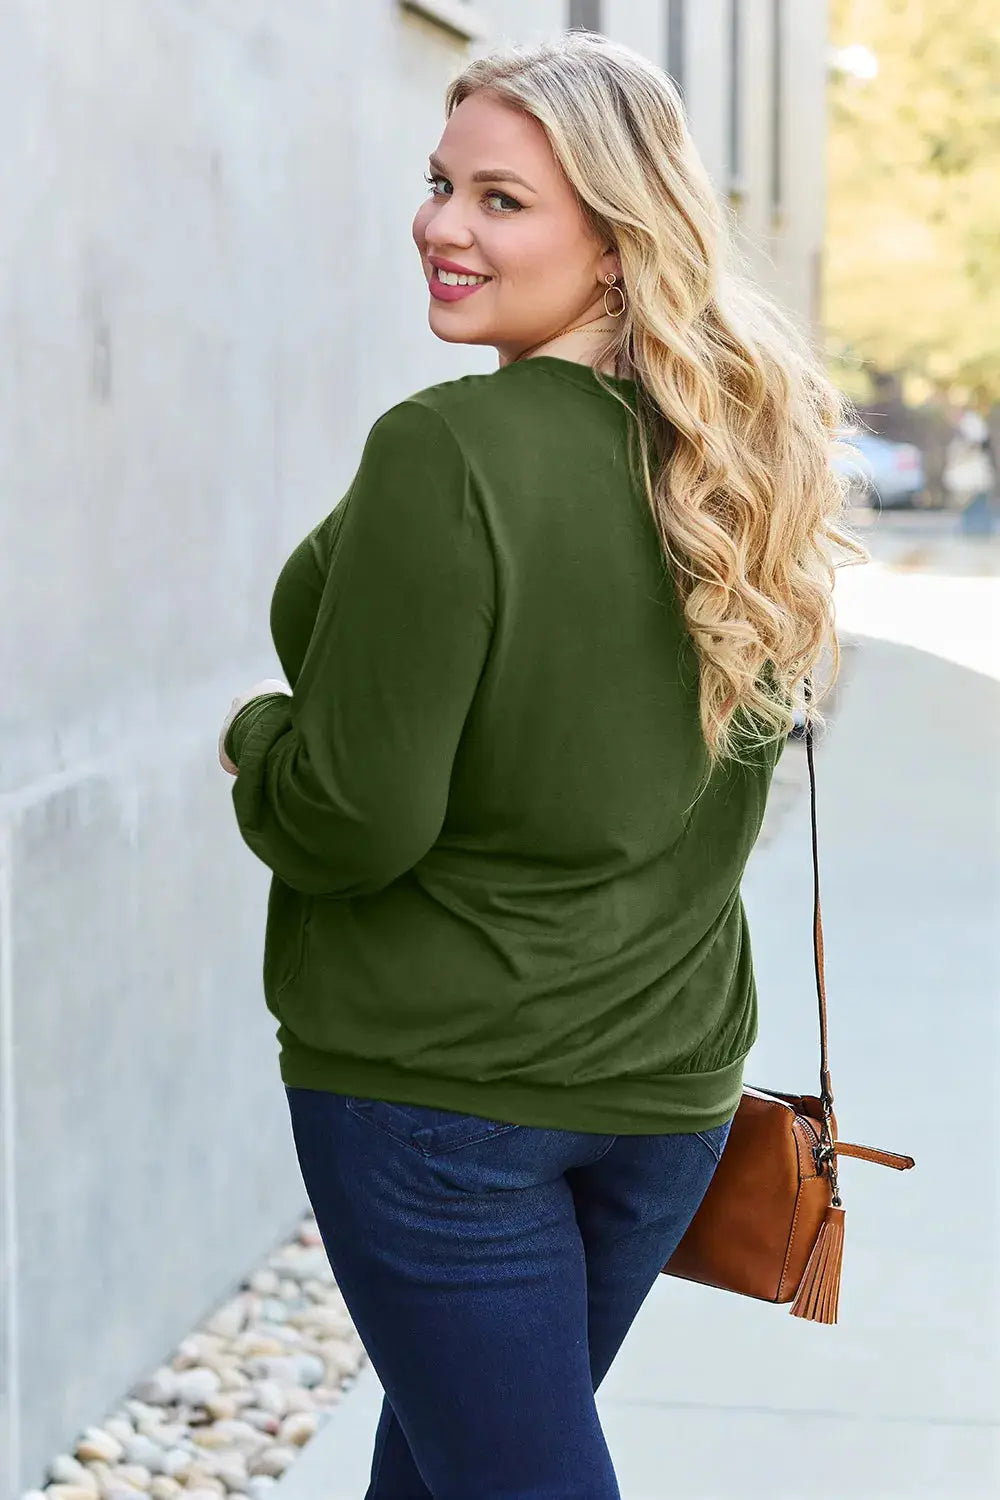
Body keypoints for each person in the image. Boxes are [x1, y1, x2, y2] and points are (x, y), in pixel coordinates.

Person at [217, 31, 866, 1500]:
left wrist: (253, 738)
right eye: (439, 182)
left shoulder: (446, 450)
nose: (440, 225)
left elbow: (350, 822)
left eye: (501, 200)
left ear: (619, 241)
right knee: (450, 1472)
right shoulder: (736, 462)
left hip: (446, 1097)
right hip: (667, 1097)